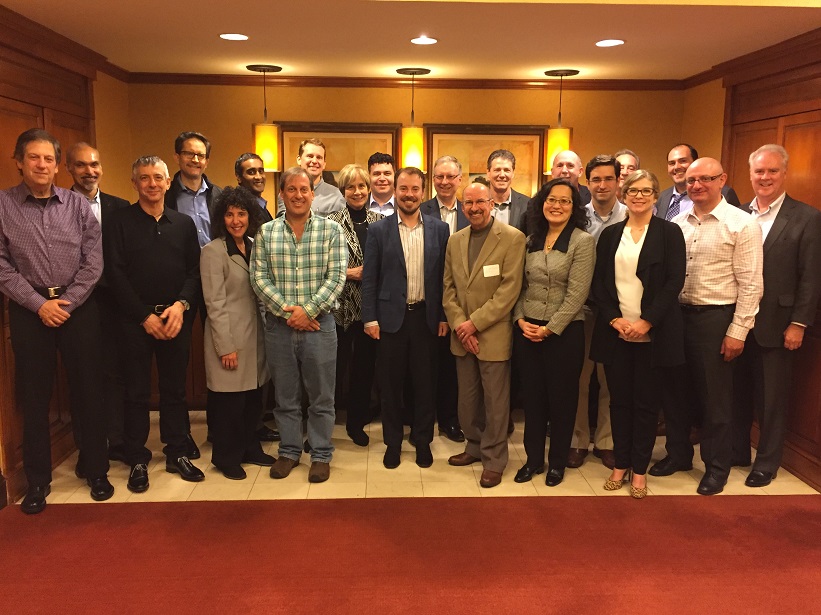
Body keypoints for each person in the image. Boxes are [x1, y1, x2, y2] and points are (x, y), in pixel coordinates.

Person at [0, 128, 113, 513]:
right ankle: (37, 481)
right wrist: (38, 304)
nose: (42, 164)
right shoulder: (3, 205)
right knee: (34, 397)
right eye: (34, 157)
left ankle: (96, 470)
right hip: (29, 310)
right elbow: (2, 265)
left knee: (89, 391)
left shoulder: (77, 205)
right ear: (19, 161)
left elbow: (94, 260)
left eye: (48, 158)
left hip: (78, 308)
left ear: (56, 165)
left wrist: (67, 302)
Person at [660, 157, 763, 495]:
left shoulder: (742, 224)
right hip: (677, 317)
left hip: (715, 319)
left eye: (705, 178)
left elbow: (751, 284)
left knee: (714, 400)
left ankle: (717, 467)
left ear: (722, 179)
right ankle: (678, 455)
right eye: (691, 180)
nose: (697, 185)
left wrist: (738, 331)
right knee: (675, 393)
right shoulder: (677, 222)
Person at [105, 156, 204, 493]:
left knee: (175, 390)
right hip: (134, 321)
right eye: (144, 178)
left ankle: (177, 451)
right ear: (134, 183)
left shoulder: (184, 224)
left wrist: (181, 305)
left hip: (175, 318)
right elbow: (115, 274)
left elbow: (194, 271)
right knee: (136, 392)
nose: (152, 184)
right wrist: (143, 317)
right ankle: (136, 457)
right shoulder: (119, 222)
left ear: (167, 182)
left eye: (158, 177)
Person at [589, 170, 686, 498]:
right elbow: (599, 284)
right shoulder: (610, 235)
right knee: (619, 403)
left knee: (646, 405)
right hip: (616, 333)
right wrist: (614, 320)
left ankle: (640, 470)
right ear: (623, 194)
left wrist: (647, 322)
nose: (639, 196)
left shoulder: (669, 233)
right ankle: (621, 464)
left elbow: (674, 281)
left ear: (656, 196)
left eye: (646, 191)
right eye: (633, 190)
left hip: (653, 335)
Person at [732, 145, 821, 487]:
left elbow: (811, 276)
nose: (765, 177)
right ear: (750, 174)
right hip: (737, 323)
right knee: (737, 393)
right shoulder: (738, 213)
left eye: (772, 171)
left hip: (778, 324)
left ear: (784, 174)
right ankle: (737, 451)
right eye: (759, 171)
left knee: (772, 400)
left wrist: (798, 323)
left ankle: (766, 463)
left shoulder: (807, 217)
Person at [251, 167, 346, 483]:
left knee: (322, 398)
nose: (298, 195)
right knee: (285, 397)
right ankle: (289, 451)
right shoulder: (266, 233)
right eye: (291, 189)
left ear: (312, 194)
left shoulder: (331, 231)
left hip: (321, 326)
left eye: (304, 189)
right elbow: (259, 277)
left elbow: (336, 278)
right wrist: (288, 312)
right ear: (282, 194)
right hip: (279, 328)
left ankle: (320, 454)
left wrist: (308, 312)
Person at [362, 167, 450, 469]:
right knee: (390, 388)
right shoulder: (378, 230)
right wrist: (370, 318)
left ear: (423, 192)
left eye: (414, 189)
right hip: (389, 321)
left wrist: (443, 316)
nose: (409, 195)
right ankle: (393, 443)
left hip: (426, 318)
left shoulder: (440, 229)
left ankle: (423, 441)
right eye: (404, 189)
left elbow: (444, 278)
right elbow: (370, 278)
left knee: (425, 385)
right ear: (395, 191)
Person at [442, 180, 525, 488]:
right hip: (462, 337)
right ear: (462, 207)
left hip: (492, 335)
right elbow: (448, 288)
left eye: (480, 202)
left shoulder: (512, 238)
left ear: (492, 203)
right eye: (469, 203)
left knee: (495, 403)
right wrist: (460, 325)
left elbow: (508, 291)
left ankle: (495, 459)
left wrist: (473, 324)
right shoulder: (455, 240)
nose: (474, 208)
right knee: (467, 401)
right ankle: (474, 446)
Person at [512, 178, 595, 487]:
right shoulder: (530, 239)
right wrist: (520, 320)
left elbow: (577, 294)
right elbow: (518, 287)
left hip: (564, 334)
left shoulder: (582, 242)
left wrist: (549, 329)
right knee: (532, 400)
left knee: (562, 401)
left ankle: (557, 463)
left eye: (564, 201)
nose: (556, 205)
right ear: (541, 203)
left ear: (574, 208)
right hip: (527, 330)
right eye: (551, 199)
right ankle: (533, 460)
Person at [201, 186, 275, 479]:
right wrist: (225, 347)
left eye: (241, 213)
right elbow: (214, 303)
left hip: (255, 338)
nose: (236, 220)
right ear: (221, 218)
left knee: (252, 400)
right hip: (229, 339)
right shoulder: (213, 252)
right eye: (229, 214)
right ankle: (226, 457)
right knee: (229, 404)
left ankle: (250, 448)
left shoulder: (255, 246)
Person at [65, 142, 130, 463]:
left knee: (116, 373)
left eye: (94, 165)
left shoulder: (121, 207)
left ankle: (116, 440)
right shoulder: (59, 205)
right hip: (77, 302)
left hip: (114, 301)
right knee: (83, 376)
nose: (89, 171)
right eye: (81, 165)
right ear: (69, 169)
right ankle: (88, 450)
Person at [568, 155, 627, 470]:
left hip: (618, 312)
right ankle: (578, 440)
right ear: (587, 182)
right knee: (579, 379)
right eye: (596, 180)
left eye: (608, 179)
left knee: (610, 380)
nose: (602, 185)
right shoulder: (576, 216)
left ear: (618, 181)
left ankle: (606, 441)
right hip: (582, 309)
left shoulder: (632, 215)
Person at [327, 164, 384, 447]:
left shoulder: (380, 221)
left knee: (364, 369)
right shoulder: (330, 222)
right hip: (338, 308)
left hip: (370, 309)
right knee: (334, 370)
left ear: (369, 189)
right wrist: (350, 273)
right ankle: (324, 424)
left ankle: (356, 423)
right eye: (351, 187)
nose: (357, 191)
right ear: (343, 191)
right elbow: (322, 266)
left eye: (362, 186)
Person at [420, 154, 469, 443]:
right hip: (427, 300)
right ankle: (423, 419)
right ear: (433, 180)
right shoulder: (420, 210)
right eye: (439, 176)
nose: (445, 181)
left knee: (452, 366)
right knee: (426, 365)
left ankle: (450, 419)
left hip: (462, 302)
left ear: (459, 179)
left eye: (451, 176)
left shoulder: (470, 210)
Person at [656, 144, 742, 220]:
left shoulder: (724, 193)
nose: (676, 167)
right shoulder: (662, 197)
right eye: (672, 163)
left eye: (683, 161)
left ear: (695, 162)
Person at [276, 139, 345, 216]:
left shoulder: (336, 195)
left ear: (324, 164)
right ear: (299, 160)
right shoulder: (288, 192)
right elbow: (284, 220)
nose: (314, 161)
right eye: (310, 156)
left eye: (319, 157)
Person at [486, 149, 530, 229]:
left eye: (507, 170)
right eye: (497, 170)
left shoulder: (528, 205)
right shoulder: (477, 204)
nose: (502, 175)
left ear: (513, 173)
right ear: (488, 173)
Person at [234, 152, 273, 223]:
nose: (258, 177)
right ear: (239, 177)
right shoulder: (239, 207)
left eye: (261, 171)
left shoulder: (259, 203)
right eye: (251, 172)